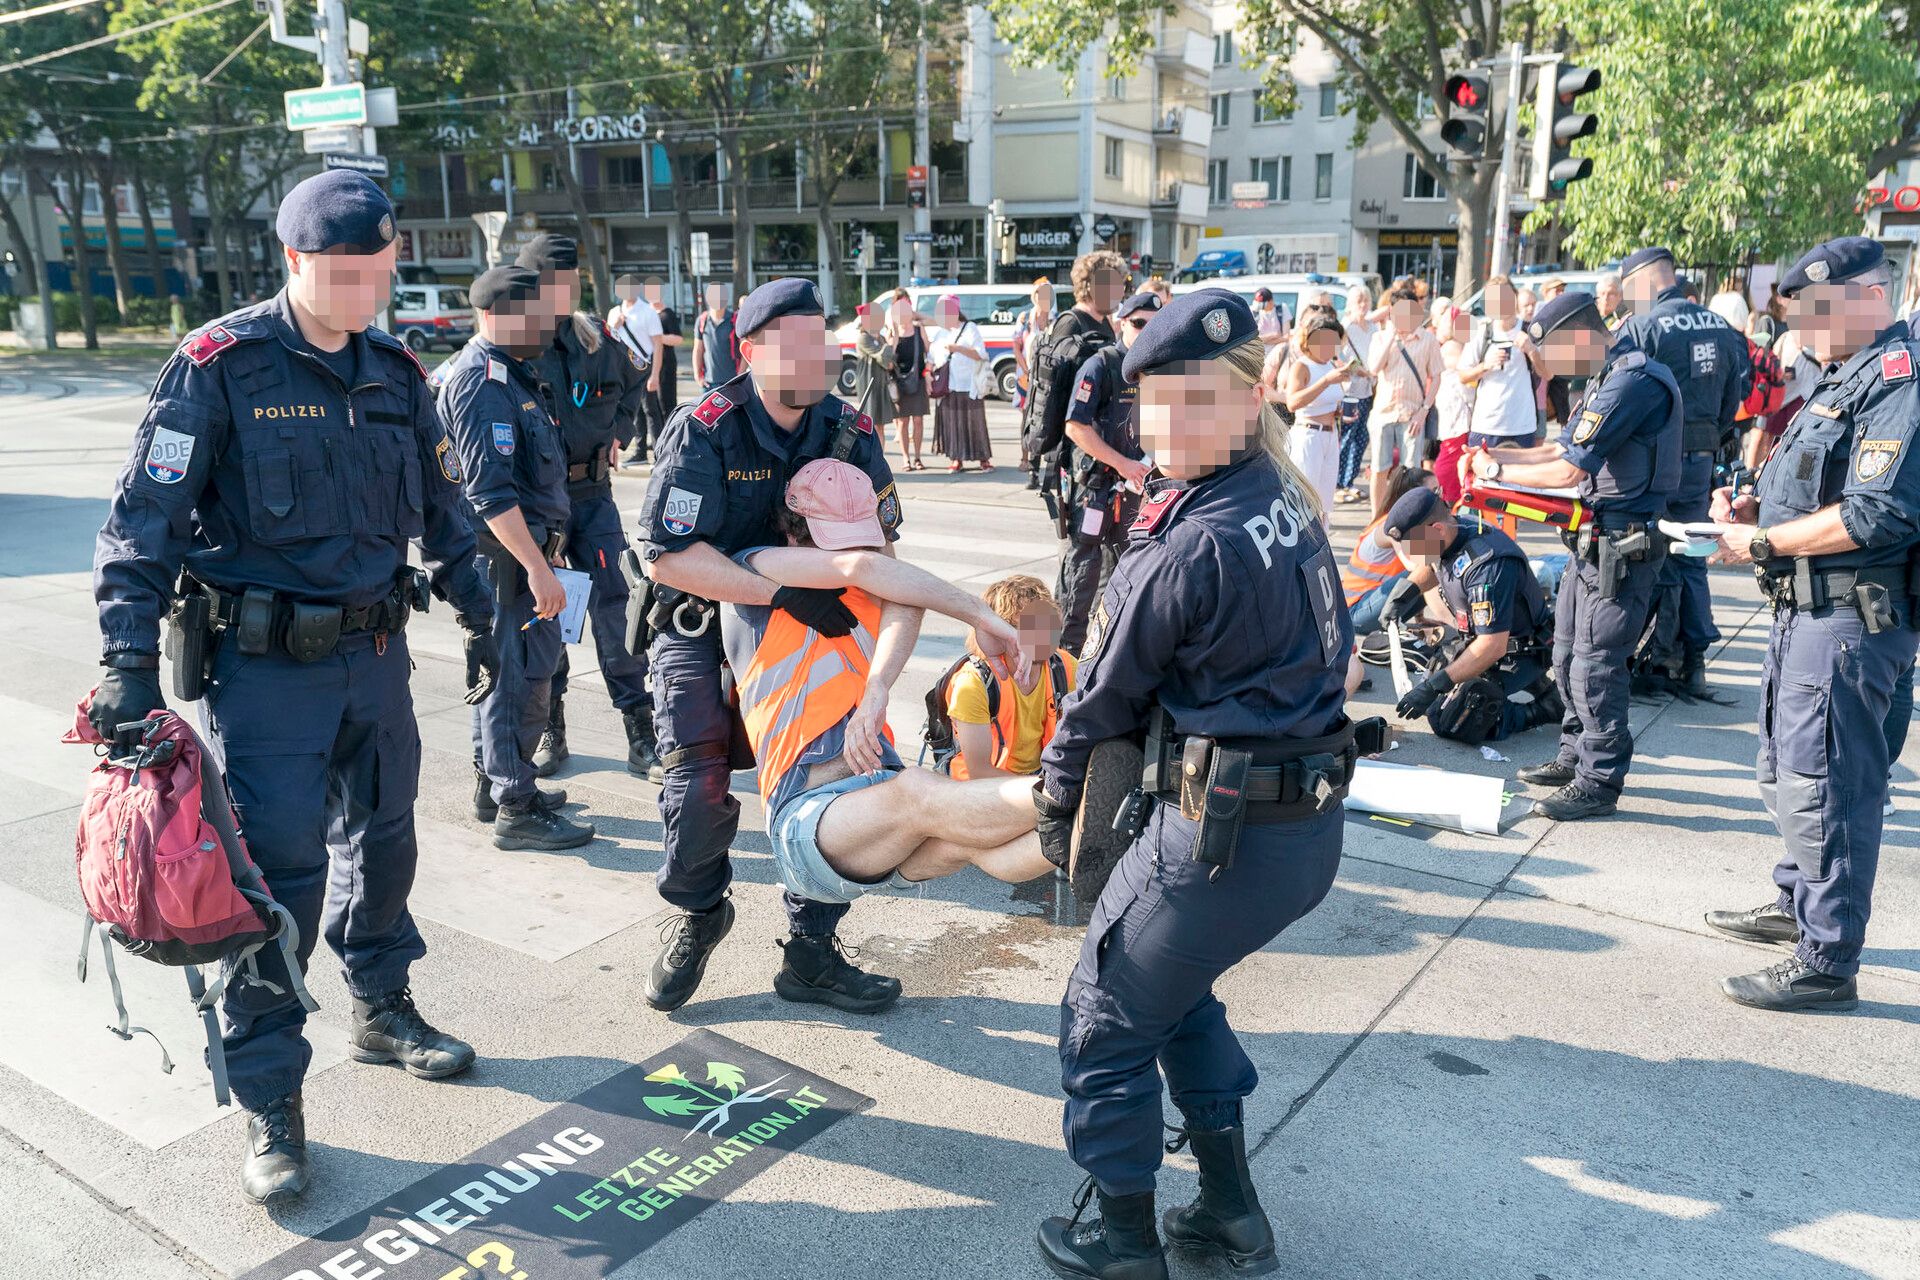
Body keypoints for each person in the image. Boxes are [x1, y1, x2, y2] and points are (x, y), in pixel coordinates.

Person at [90, 170, 500, 1204]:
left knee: (388, 841)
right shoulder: (219, 365)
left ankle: (381, 1003)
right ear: (293, 261)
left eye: (377, 275)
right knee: (277, 879)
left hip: (375, 660)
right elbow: (142, 523)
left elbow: (446, 510)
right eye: (340, 276)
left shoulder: (398, 371)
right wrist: (126, 663)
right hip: (264, 671)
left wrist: (489, 615)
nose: (361, 294)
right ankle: (271, 1091)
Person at [1031, 288, 1374, 1280]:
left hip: (1220, 836)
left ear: (1246, 394)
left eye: (1191, 400)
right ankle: (1230, 1214)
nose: (1163, 424)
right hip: (1298, 831)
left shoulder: (1187, 536)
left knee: (1102, 1012)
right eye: (1152, 402)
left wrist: (1060, 806)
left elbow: (1096, 700)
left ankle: (1123, 1241)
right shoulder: (1279, 493)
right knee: (1169, 996)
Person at [637, 276, 905, 1015]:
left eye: (822, 339)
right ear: (750, 350)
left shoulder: (850, 430)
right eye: (797, 343)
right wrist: (779, 591)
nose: (817, 356)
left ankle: (811, 951)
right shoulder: (706, 425)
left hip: (816, 632)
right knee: (697, 787)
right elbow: (662, 555)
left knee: (838, 787)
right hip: (703, 624)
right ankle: (698, 913)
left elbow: (884, 548)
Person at [1702, 236, 1920, 1012]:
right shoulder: (1845, 376)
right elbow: (1819, 488)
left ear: (1868, 294)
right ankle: (1799, 903)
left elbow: (1875, 512)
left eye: (1815, 314)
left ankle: (1827, 959)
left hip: (1849, 615)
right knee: (1789, 773)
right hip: (1808, 608)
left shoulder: (1898, 377)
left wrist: (1759, 541)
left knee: (1828, 786)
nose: (1804, 333)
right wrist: (1760, 511)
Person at [721, 460, 1057, 906]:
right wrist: (979, 613)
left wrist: (876, 688)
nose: (860, 549)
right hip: (807, 817)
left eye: (863, 534)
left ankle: (1093, 822)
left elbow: (904, 595)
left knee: (973, 841)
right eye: (837, 539)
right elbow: (861, 568)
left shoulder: (871, 588)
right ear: (791, 532)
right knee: (920, 790)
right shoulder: (752, 573)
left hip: (881, 815)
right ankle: (1069, 788)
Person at [1468, 291, 1682, 821]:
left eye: (1550, 358)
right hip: (1591, 542)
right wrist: (1497, 452)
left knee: (1597, 664)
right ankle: (1573, 755)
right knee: (1564, 652)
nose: (1548, 373)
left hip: (1623, 545)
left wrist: (1495, 474)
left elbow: (1570, 472)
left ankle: (1599, 779)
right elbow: (1558, 448)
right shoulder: (1605, 378)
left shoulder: (1633, 381)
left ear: (1575, 337)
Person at [437, 266, 597, 852]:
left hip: (526, 555)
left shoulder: (516, 376)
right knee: (516, 681)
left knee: (519, 676)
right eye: (536, 316)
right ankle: (517, 807)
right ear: (498, 315)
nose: (548, 326)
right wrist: (536, 567)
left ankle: (495, 783)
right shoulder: (480, 382)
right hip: (508, 562)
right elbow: (490, 493)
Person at [513, 235, 658, 783]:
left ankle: (640, 730)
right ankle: (552, 725)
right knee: (547, 614)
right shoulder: (518, 345)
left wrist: (619, 432)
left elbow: (636, 379)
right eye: (553, 283)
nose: (564, 292)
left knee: (618, 606)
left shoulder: (594, 337)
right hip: (540, 503)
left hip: (593, 495)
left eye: (570, 283)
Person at [1616, 247, 1752, 698]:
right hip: (1702, 458)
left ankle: (1651, 656)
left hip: (1655, 460)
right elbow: (1736, 401)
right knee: (1692, 555)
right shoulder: (1724, 328)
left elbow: (1619, 396)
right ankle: (1692, 661)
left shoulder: (1642, 327)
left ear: (1642, 282)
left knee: (1646, 553)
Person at [1381, 488, 1561, 743]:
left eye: (1412, 545)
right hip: (1482, 636)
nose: (1410, 554)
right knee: (1436, 694)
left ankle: (1542, 710)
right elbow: (1433, 564)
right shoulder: (1455, 530)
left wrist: (1435, 687)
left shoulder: (1487, 567)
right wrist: (1403, 595)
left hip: (1520, 651)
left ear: (1437, 529)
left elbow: (1492, 647)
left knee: (1455, 720)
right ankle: (1538, 688)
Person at [1057, 290, 1159, 652]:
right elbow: (1076, 427)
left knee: (1129, 570)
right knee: (1083, 571)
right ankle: (1067, 654)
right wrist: (1124, 464)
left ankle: (1108, 648)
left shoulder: (1155, 368)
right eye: (1138, 323)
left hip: (1135, 488)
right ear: (1122, 323)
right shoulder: (1100, 365)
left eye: (1153, 324)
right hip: (1095, 489)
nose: (1146, 330)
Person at [946, 574, 1078, 779]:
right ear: (998, 632)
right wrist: (1041, 790)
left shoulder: (1064, 666)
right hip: (981, 788)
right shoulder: (973, 683)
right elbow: (979, 772)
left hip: (1040, 776)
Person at [1025, 250, 1125, 494]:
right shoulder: (1071, 324)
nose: (1120, 292)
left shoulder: (1103, 322)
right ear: (1090, 286)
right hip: (1077, 449)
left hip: (1099, 441)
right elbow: (1057, 395)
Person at [1366, 281, 1442, 515]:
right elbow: (1373, 368)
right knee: (1379, 469)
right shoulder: (1380, 338)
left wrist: (1424, 410)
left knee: (1410, 470)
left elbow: (1437, 377)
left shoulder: (1427, 340)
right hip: (1383, 413)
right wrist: (1390, 336)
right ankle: (1376, 517)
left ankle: (1407, 515)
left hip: (1412, 414)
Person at [1344, 465, 1439, 635]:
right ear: (1414, 496)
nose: (1439, 497)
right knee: (1431, 565)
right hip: (1354, 614)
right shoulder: (1390, 526)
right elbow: (1413, 567)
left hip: (1374, 606)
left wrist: (1420, 618)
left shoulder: (1414, 525)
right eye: (1434, 491)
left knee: (1434, 564)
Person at [1280, 310, 1355, 513]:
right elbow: (1292, 402)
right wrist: (1326, 381)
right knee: (1305, 498)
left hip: (1331, 435)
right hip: (1309, 435)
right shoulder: (1302, 366)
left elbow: (1327, 400)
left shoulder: (1330, 364)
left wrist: (1340, 412)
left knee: (1325, 501)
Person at [1459, 275, 1546, 449]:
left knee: (1520, 476)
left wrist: (1531, 350)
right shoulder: (1482, 332)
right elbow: (1463, 376)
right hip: (1486, 423)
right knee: (1484, 475)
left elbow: (1547, 373)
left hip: (1522, 424)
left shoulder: (1531, 330)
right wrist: (1485, 365)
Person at [930, 294, 991, 472]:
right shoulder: (940, 333)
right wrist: (927, 374)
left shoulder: (970, 328)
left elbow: (980, 354)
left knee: (975, 422)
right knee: (953, 423)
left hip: (969, 385)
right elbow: (931, 359)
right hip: (949, 386)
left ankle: (983, 458)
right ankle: (956, 458)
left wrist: (957, 349)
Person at [608, 274, 664, 464]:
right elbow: (607, 340)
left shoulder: (647, 311)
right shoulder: (614, 312)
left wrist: (655, 375)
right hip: (621, 371)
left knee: (651, 412)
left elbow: (658, 344)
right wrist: (615, 325)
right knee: (631, 412)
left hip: (643, 368)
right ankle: (639, 451)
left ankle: (659, 452)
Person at [1336, 286, 1377, 503]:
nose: (1362, 305)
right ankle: (1339, 483)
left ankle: (1350, 481)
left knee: (1362, 438)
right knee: (1346, 437)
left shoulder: (1373, 327)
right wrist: (1358, 370)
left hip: (1368, 390)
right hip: (1349, 391)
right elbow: (1338, 359)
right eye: (1358, 301)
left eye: (1366, 300)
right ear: (1350, 304)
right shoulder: (1345, 328)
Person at [1431, 305, 1476, 504]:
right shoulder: (1452, 347)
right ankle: (1448, 497)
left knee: (1454, 453)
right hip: (1455, 406)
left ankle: (1451, 496)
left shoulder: (1455, 344)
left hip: (1455, 405)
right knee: (1450, 455)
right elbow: (1463, 380)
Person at [851, 303, 896, 432]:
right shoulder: (863, 338)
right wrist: (889, 344)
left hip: (880, 383)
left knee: (880, 424)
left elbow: (890, 362)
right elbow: (882, 358)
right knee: (871, 423)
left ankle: (880, 452)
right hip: (867, 383)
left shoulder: (880, 338)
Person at [692, 282, 740, 394]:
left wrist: (739, 377)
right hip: (708, 383)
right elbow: (698, 349)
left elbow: (744, 348)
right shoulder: (702, 320)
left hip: (731, 382)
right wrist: (697, 375)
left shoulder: (735, 320)